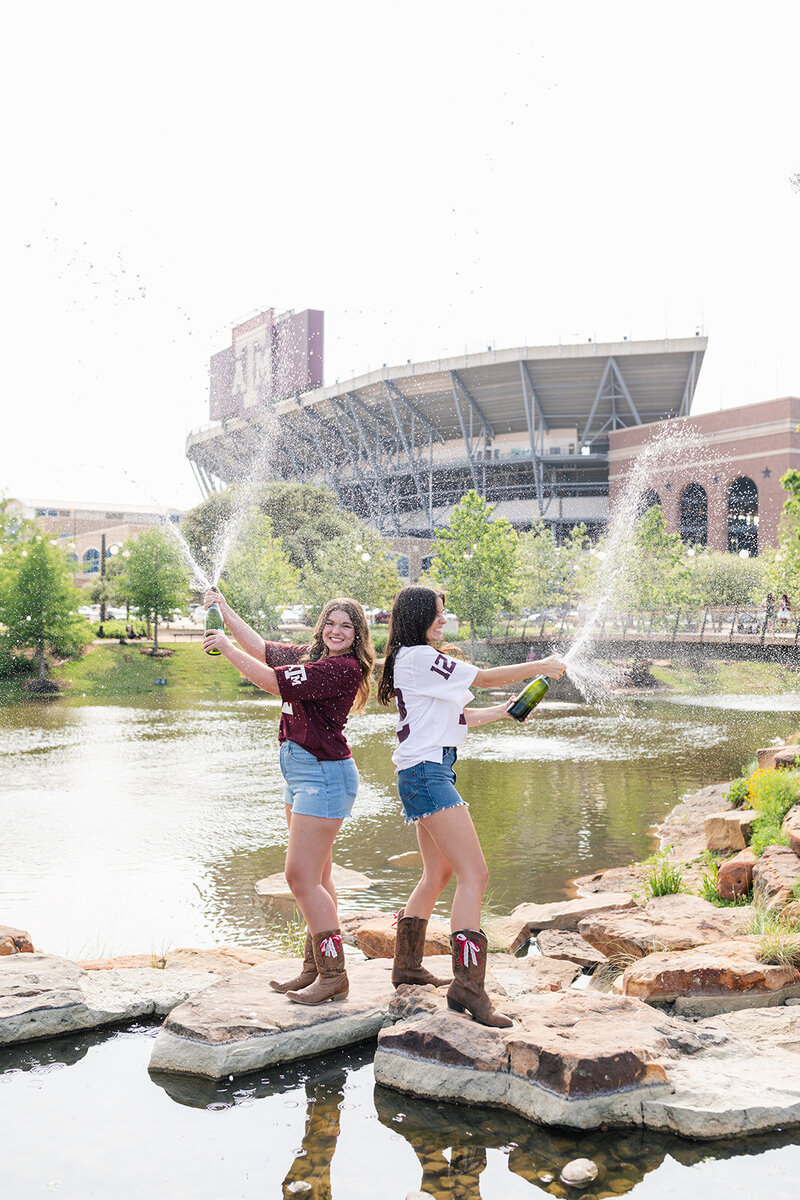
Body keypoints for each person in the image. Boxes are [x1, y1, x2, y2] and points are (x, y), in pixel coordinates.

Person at [377, 585, 566, 1028]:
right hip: (427, 773)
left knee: (438, 873)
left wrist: (504, 711)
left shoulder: (416, 660)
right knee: (474, 874)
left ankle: (406, 966)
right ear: (419, 616)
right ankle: (468, 987)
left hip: (426, 771)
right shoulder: (419, 656)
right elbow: (479, 677)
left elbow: (457, 718)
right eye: (437, 614)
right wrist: (541, 665)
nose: (443, 621)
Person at [203, 588, 375, 1006]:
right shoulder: (311, 657)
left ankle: (334, 975)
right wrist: (224, 609)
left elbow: (271, 681)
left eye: (346, 627)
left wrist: (222, 646)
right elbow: (261, 649)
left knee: (299, 877)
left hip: (324, 775)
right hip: (300, 772)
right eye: (331, 623)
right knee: (319, 877)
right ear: (321, 627)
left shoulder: (341, 668)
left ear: (357, 635)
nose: (336, 631)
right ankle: (315, 968)